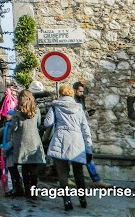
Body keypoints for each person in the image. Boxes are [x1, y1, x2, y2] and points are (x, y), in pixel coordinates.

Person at [45, 83, 92, 211]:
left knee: (62, 174)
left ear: (60, 94)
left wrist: (52, 107)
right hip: (77, 141)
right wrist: (89, 148)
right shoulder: (79, 109)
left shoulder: (56, 107)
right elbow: (85, 130)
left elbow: (47, 123)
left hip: (60, 140)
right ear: (72, 94)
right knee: (78, 173)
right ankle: (82, 199)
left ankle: (67, 201)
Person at [6, 89, 46, 200]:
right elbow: (38, 123)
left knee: (24, 168)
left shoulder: (17, 111)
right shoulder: (36, 110)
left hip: (21, 142)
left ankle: (27, 191)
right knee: (33, 169)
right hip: (34, 141)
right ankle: (34, 191)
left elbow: (15, 127)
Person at [73, 81, 110, 187]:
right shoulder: (74, 100)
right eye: (80, 91)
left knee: (86, 156)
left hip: (80, 129)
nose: (81, 93)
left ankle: (95, 179)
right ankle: (95, 179)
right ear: (75, 90)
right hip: (76, 131)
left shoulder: (81, 99)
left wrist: (88, 113)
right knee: (86, 155)